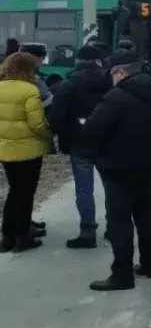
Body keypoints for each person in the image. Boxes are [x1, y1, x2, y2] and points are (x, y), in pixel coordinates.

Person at [80, 50, 151, 291]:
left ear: (121, 72)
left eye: (112, 74)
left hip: (117, 167)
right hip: (146, 164)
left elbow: (91, 131)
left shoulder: (117, 97)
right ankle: (149, 265)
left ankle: (122, 275)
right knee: (145, 215)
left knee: (119, 221)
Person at [47, 44, 113, 248]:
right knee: (113, 186)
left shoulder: (68, 84)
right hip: (108, 142)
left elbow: (55, 118)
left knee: (84, 188)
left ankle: (87, 232)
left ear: (78, 61)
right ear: (99, 61)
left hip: (79, 142)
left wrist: (61, 131)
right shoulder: (112, 82)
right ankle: (114, 228)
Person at [0, 52, 52, 253]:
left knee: (14, 191)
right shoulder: (30, 90)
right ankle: (23, 237)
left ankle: (6, 237)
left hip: (5, 150)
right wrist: (49, 133)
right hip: (28, 151)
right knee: (25, 194)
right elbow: (37, 124)